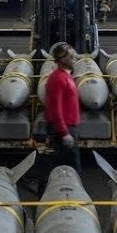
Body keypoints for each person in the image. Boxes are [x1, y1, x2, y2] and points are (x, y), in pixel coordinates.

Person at [43, 42, 81, 175]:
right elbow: (55, 108)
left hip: (69, 127)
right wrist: (64, 133)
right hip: (63, 129)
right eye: (71, 57)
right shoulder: (58, 79)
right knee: (70, 166)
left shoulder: (65, 76)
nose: (73, 60)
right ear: (61, 58)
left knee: (61, 164)